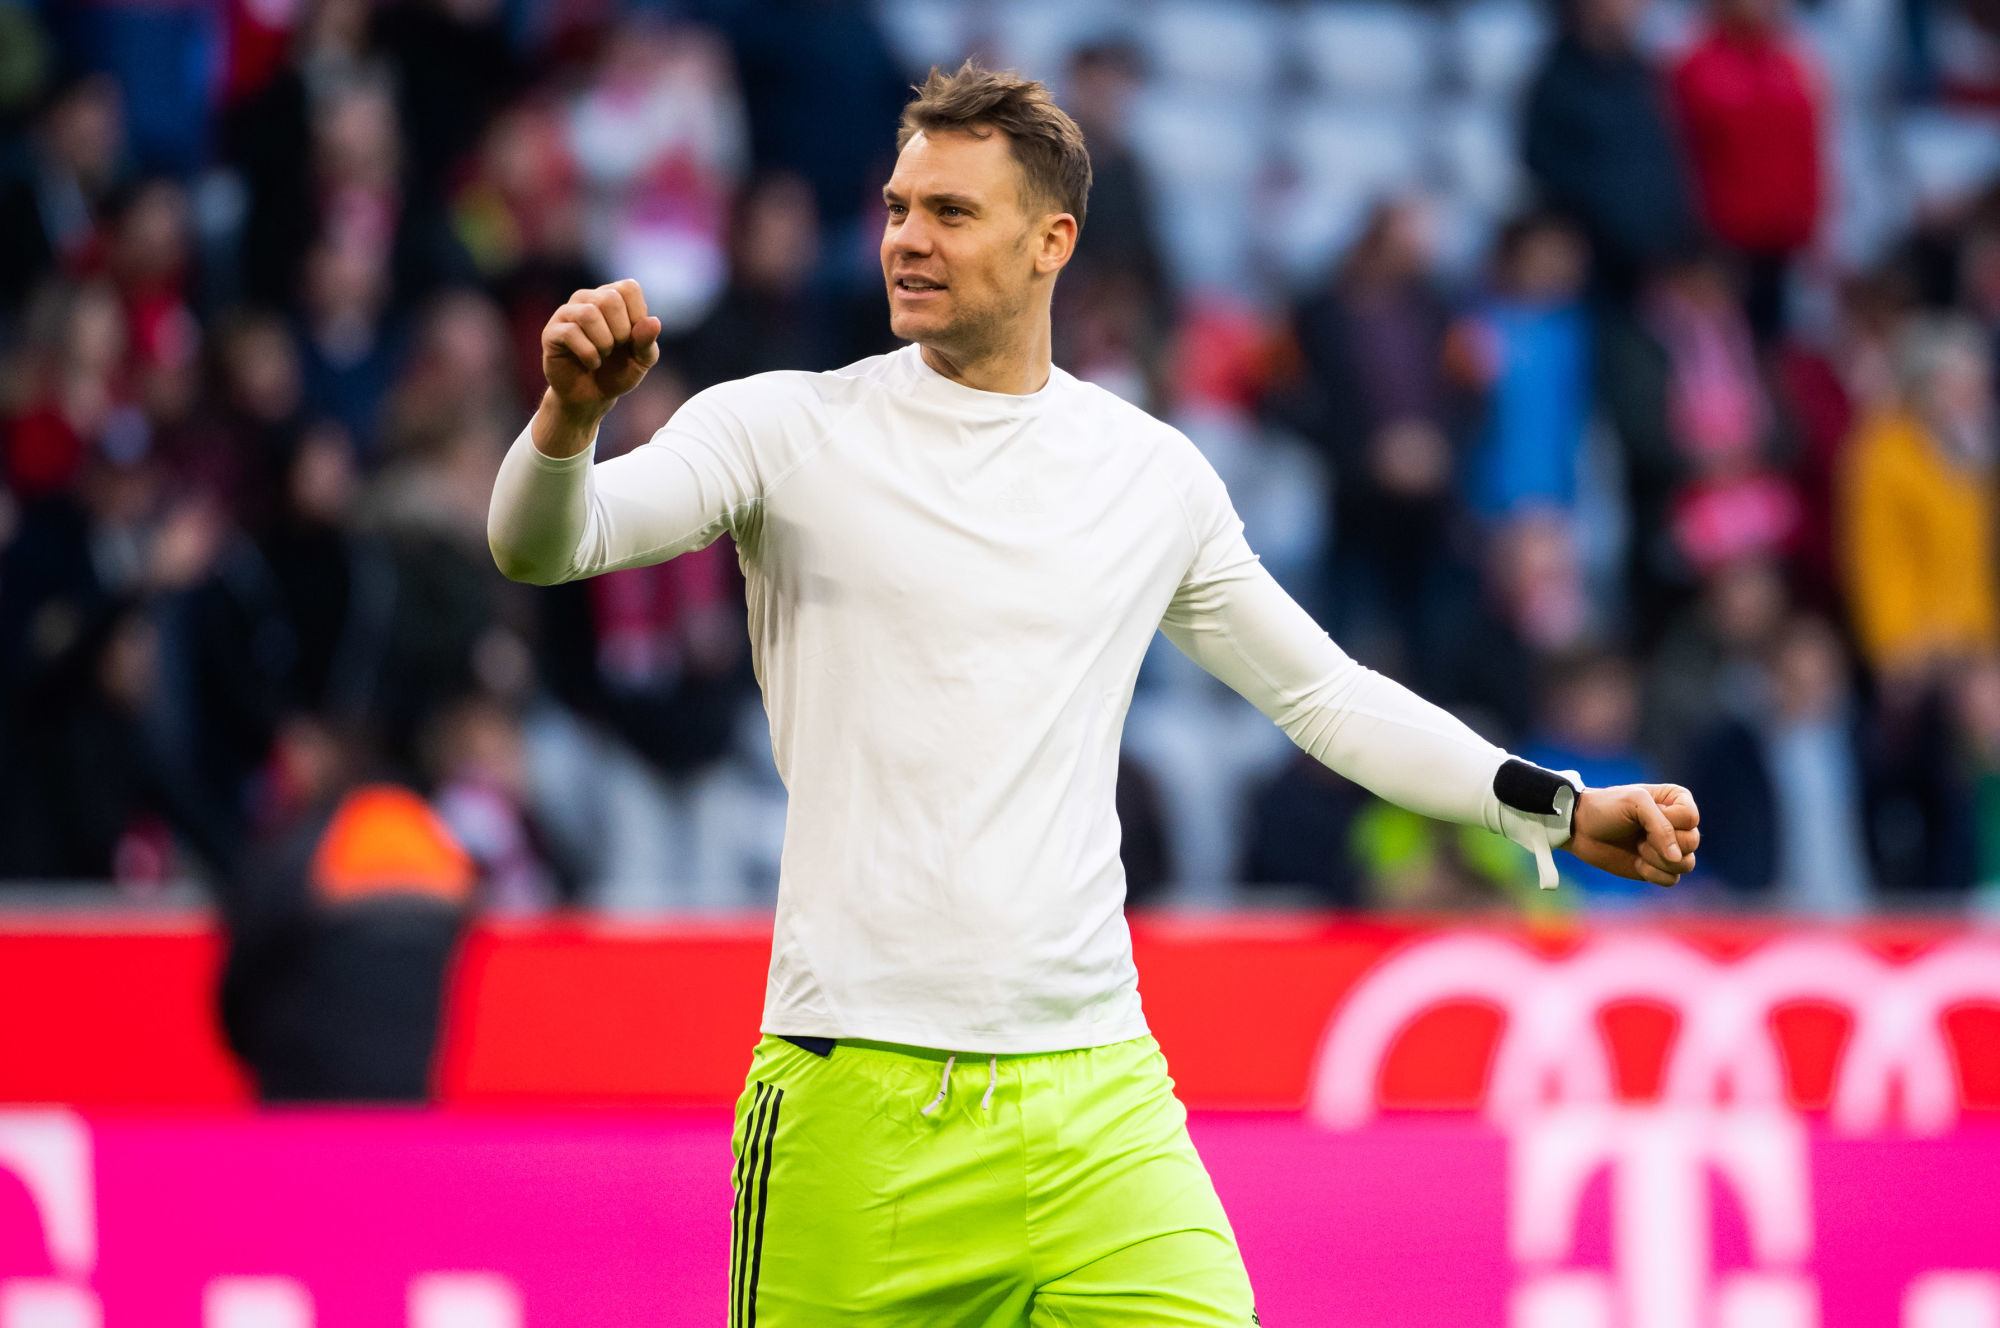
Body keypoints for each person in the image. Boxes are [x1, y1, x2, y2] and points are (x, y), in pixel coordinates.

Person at [487, 63, 1702, 1327]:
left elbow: (1326, 696)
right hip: (858, 1101)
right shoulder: (783, 430)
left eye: (951, 212)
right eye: (899, 206)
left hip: (1099, 1102)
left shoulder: (1146, 474)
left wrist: (1554, 807)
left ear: (1050, 240)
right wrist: (568, 422)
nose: (908, 236)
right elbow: (545, 544)